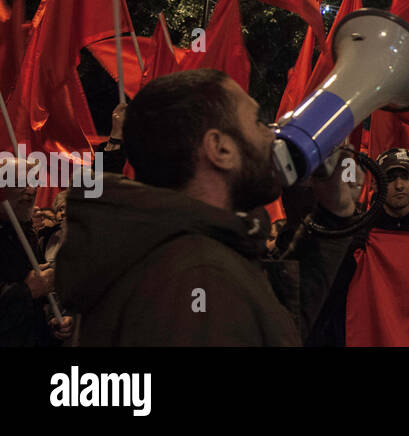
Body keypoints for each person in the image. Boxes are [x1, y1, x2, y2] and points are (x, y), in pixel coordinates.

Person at [55, 69, 356, 346]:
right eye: (258, 122)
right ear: (220, 149)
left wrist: (334, 208)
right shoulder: (197, 276)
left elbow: (276, 326)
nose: (273, 134)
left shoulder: (189, 255)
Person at [1, 156, 73, 345]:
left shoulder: (25, 233)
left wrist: (51, 321)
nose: (32, 191)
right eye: (20, 183)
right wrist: (26, 291)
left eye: (34, 182)